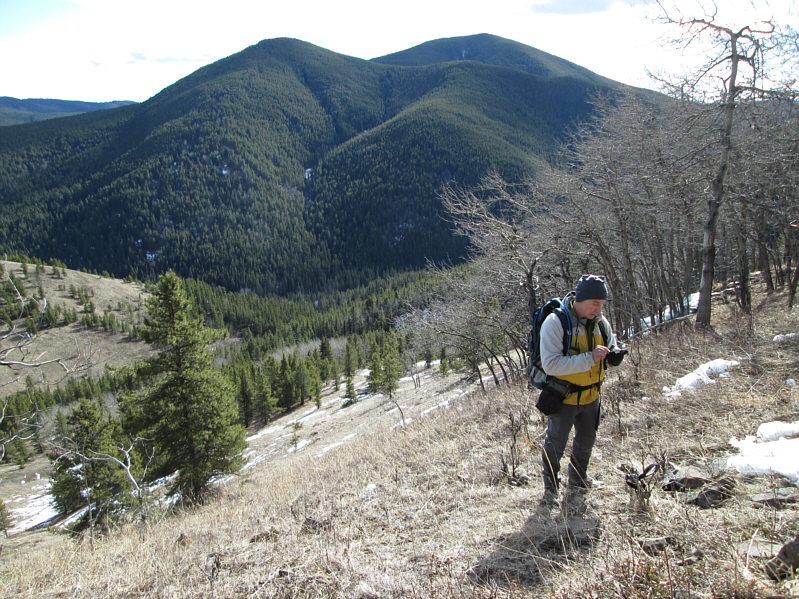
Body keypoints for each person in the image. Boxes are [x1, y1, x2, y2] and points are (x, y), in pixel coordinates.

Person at [539, 274, 624, 508]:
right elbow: (551, 365)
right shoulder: (556, 323)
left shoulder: (600, 322)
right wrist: (590, 358)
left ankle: (578, 481)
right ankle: (550, 488)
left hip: (592, 395)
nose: (599, 309)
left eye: (602, 304)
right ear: (581, 299)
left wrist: (615, 356)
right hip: (563, 396)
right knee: (555, 443)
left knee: (586, 442)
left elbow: (611, 344)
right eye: (595, 303)